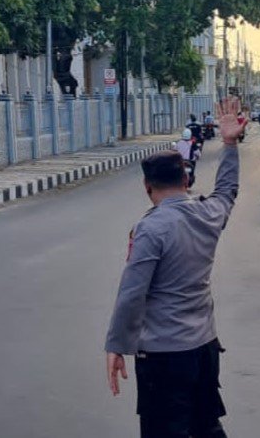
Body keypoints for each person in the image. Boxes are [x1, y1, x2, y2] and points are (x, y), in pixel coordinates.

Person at [105, 96, 246, 438]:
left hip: (164, 356)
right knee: (206, 426)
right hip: (204, 348)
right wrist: (229, 145)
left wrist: (115, 345)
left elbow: (132, 292)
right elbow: (227, 190)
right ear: (185, 181)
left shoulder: (151, 228)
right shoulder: (208, 213)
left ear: (147, 187)